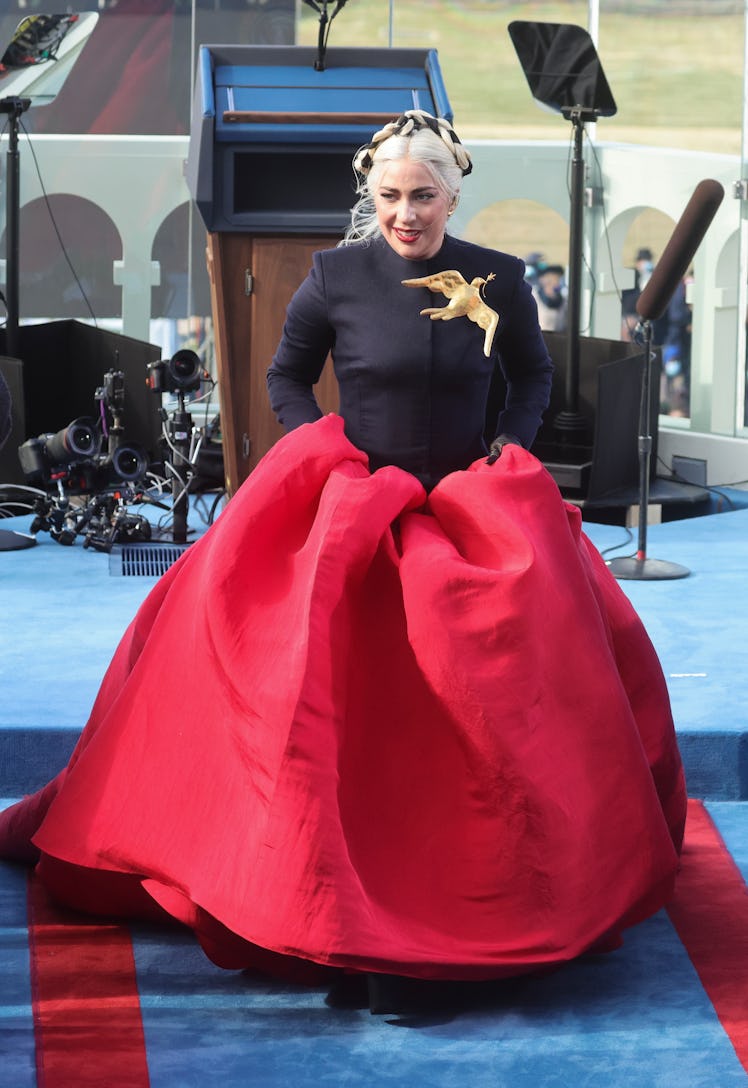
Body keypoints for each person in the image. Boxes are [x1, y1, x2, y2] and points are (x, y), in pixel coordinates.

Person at [0, 110, 686, 1015]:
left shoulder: (503, 280)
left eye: (425, 198)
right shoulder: (335, 277)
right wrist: (324, 448)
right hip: (361, 502)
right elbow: (285, 374)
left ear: (453, 194)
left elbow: (533, 379)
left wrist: (504, 454)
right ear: (372, 193)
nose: (407, 215)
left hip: (467, 510)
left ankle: (469, 894)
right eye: (391, 197)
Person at [529, 261, 567, 332]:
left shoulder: (565, 302)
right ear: (543, 280)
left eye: (558, 280)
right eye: (552, 281)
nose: (556, 284)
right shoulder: (531, 297)